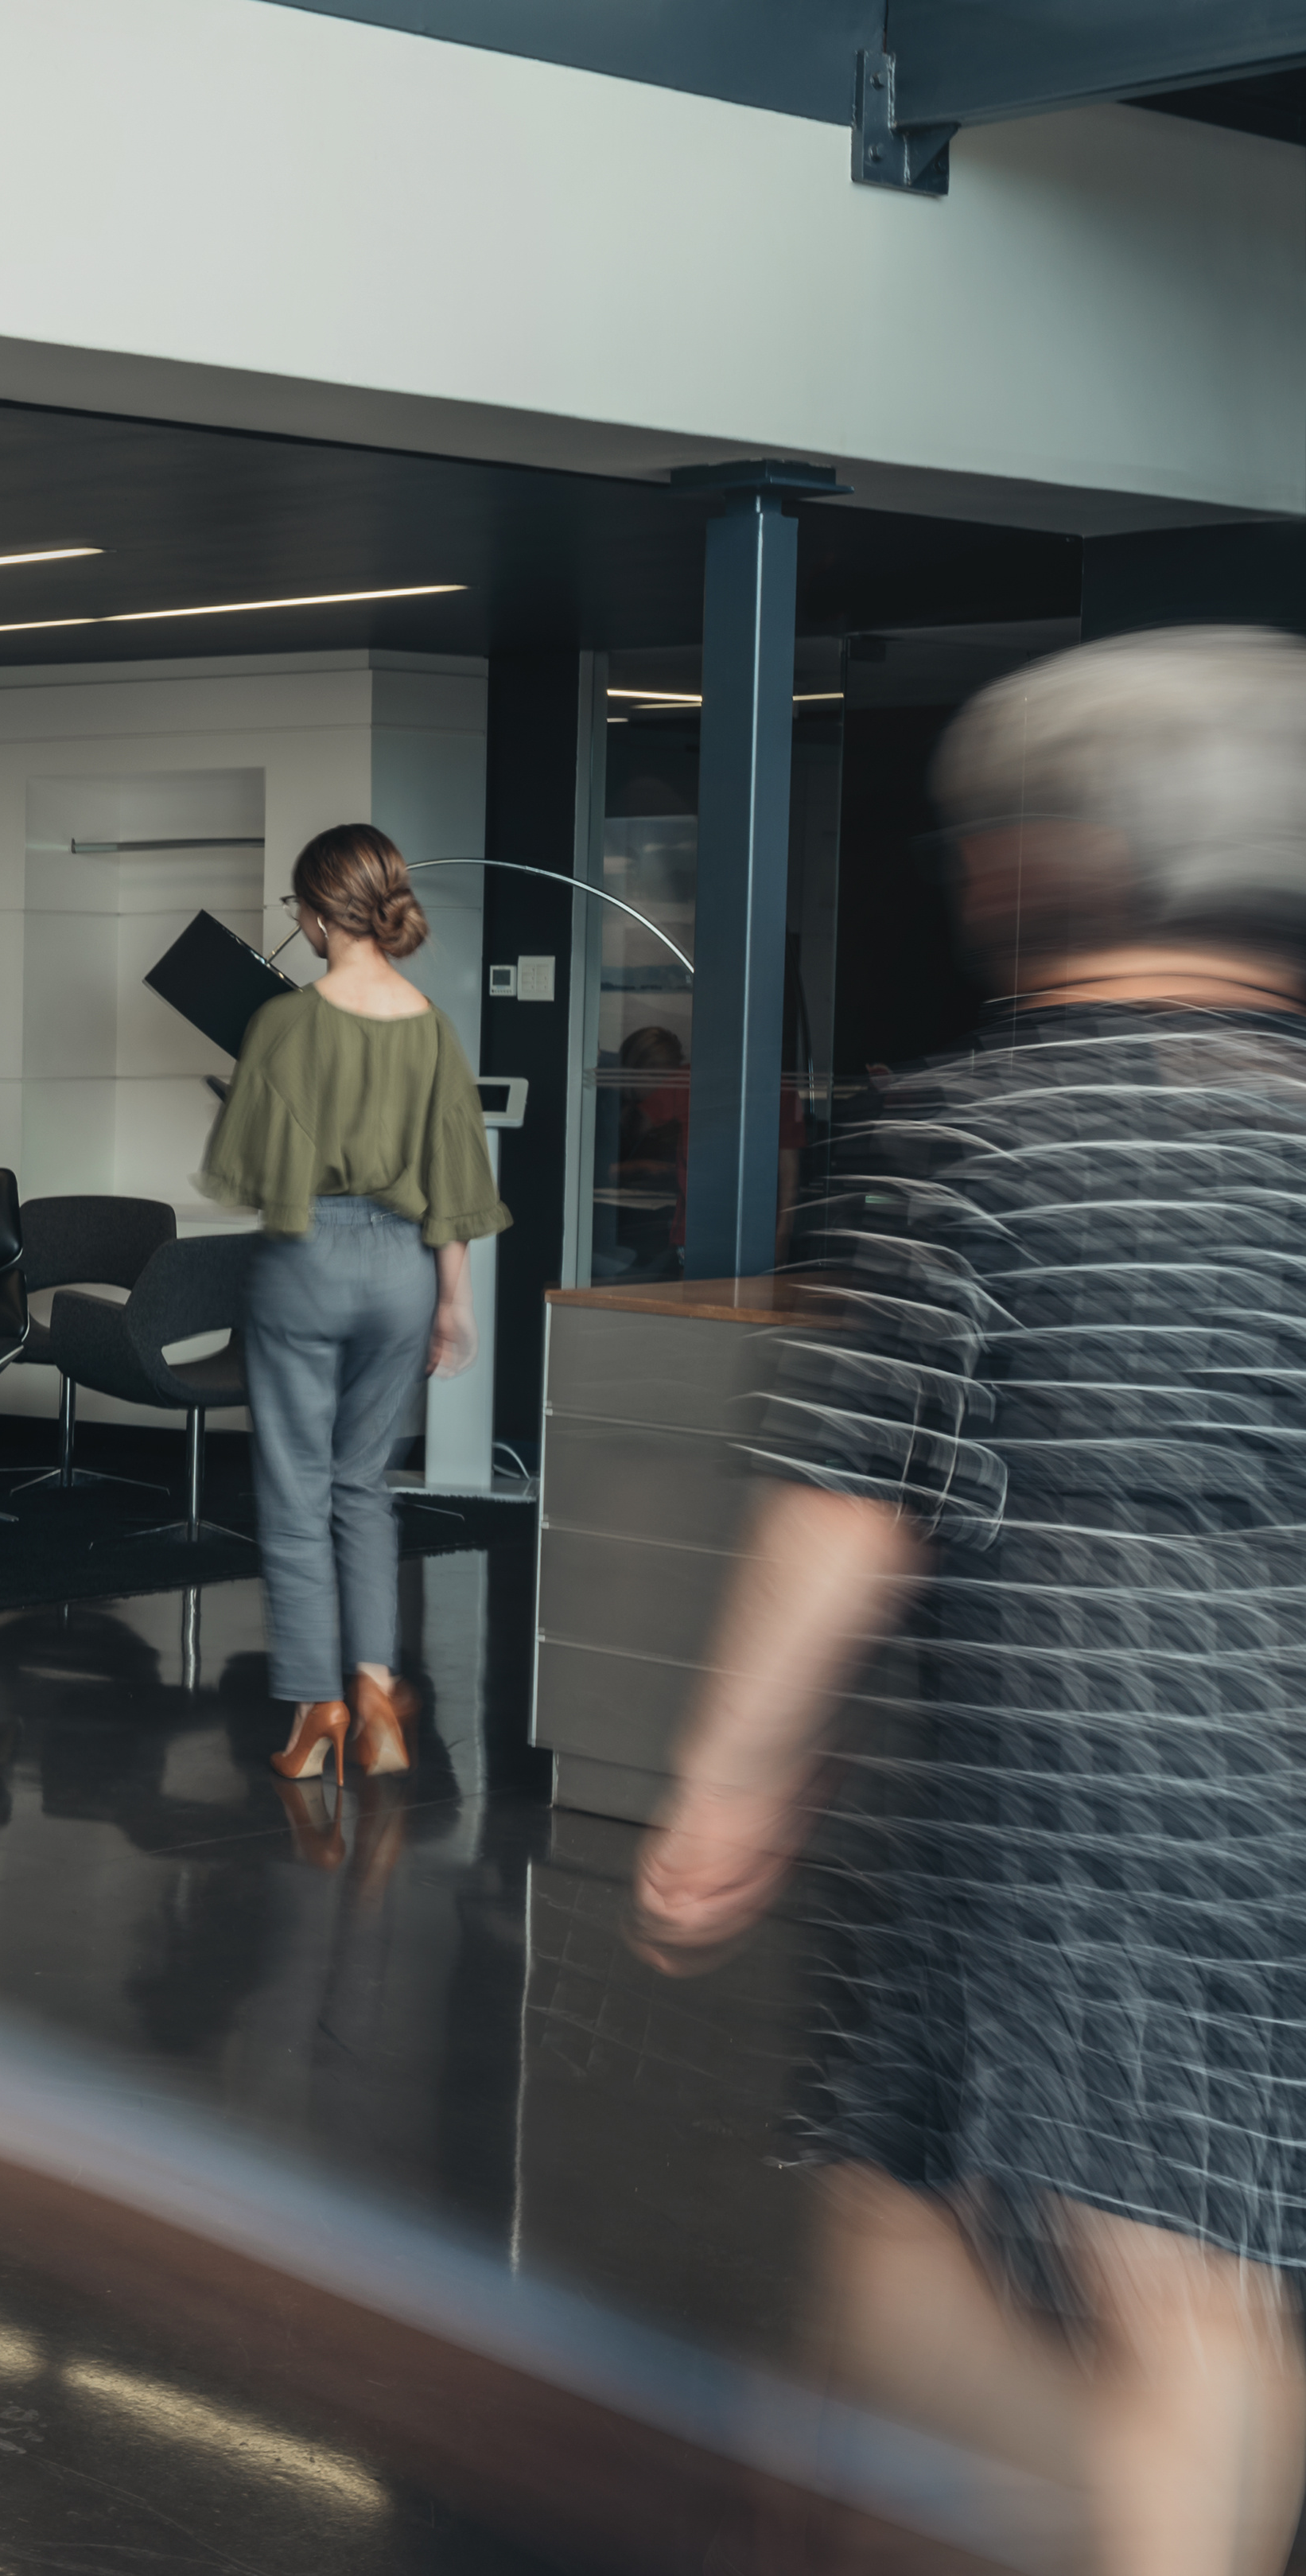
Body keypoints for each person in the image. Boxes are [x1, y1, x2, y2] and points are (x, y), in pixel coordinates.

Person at [634, 628, 1306, 2576]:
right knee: (1208, 2264)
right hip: (1279, 1779)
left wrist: (729, 1786)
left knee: (923, 2187)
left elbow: (852, 1512)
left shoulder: (973, 1136)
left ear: (1037, 861)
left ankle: (937, 2509)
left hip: (1050, 1781)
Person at [196, 824, 508, 1781]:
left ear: (319, 913)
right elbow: (457, 1176)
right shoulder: (428, 1025)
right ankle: (376, 1685)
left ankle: (314, 1704)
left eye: (297, 907)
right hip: (407, 1270)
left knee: (295, 1497)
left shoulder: (285, 1025)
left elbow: (246, 1172)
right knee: (362, 1488)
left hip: (308, 1256)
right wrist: (453, 1304)